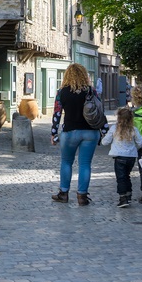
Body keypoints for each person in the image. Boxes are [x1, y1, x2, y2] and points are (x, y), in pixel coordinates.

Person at [50, 63, 100, 206]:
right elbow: (99, 111)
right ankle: (82, 196)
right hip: (90, 132)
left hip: (70, 132)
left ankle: (63, 193)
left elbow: (57, 114)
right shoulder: (91, 91)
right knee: (85, 164)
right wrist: (103, 131)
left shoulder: (62, 92)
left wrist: (54, 133)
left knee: (66, 162)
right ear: (84, 75)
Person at [101, 107, 142, 208]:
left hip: (119, 157)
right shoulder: (133, 129)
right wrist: (135, 148)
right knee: (127, 175)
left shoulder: (114, 129)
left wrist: (104, 138)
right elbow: (140, 142)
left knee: (121, 178)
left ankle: (123, 198)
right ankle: (129, 195)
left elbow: (105, 142)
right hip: (131, 157)